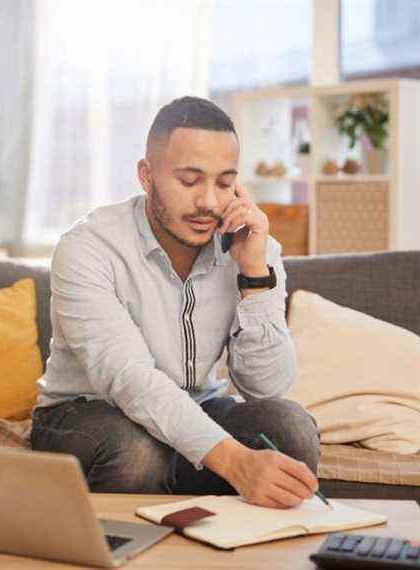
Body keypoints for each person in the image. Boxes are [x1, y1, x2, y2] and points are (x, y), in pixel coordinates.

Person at [31, 96, 320, 509]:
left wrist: (254, 276)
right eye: (189, 181)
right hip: (87, 415)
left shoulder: (254, 248)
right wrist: (237, 463)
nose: (208, 202)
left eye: (224, 183)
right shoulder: (88, 247)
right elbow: (129, 379)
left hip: (195, 407)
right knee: (137, 455)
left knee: (291, 429)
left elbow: (267, 388)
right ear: (146, 176)